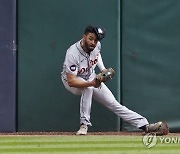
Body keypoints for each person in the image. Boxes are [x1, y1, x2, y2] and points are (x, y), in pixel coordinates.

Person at [61, 25, 163, 135]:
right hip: (72, 80)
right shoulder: (72, 53)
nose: (93, 42)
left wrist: (103, 69)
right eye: (90, 38)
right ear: (84, 36)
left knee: (113, 103)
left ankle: (145, 125)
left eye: (96, 40)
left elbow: (97, 55)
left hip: (91, 77)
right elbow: (71, 81)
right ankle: (84, 124)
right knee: (88, 88)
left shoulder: (97, 45)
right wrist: (91, 83)